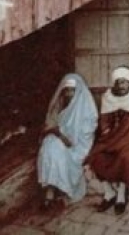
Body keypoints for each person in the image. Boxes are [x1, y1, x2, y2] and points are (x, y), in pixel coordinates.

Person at [86, 66, 129, 215]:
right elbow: (104, 121)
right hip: (112, 138)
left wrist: (122, 141)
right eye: (118, 82)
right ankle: (109, 193)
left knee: (125, 156)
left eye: (124, 82)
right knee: (97, 155)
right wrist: (107, 132)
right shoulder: (108, 97)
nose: (121, 86)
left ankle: (121, 195)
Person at [37, 73, 98, 208]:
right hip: (59, 139)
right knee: (50, 146)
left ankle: (60, 192)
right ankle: (51, 192)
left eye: (72, 91)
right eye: (67, 91)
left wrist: (65, 135)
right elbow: (48, 127)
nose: (69, 94)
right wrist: (58, 134)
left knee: (57, 150)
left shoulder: (87, 108)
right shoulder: (59, 104)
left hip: (78, 146)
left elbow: (84, 135)